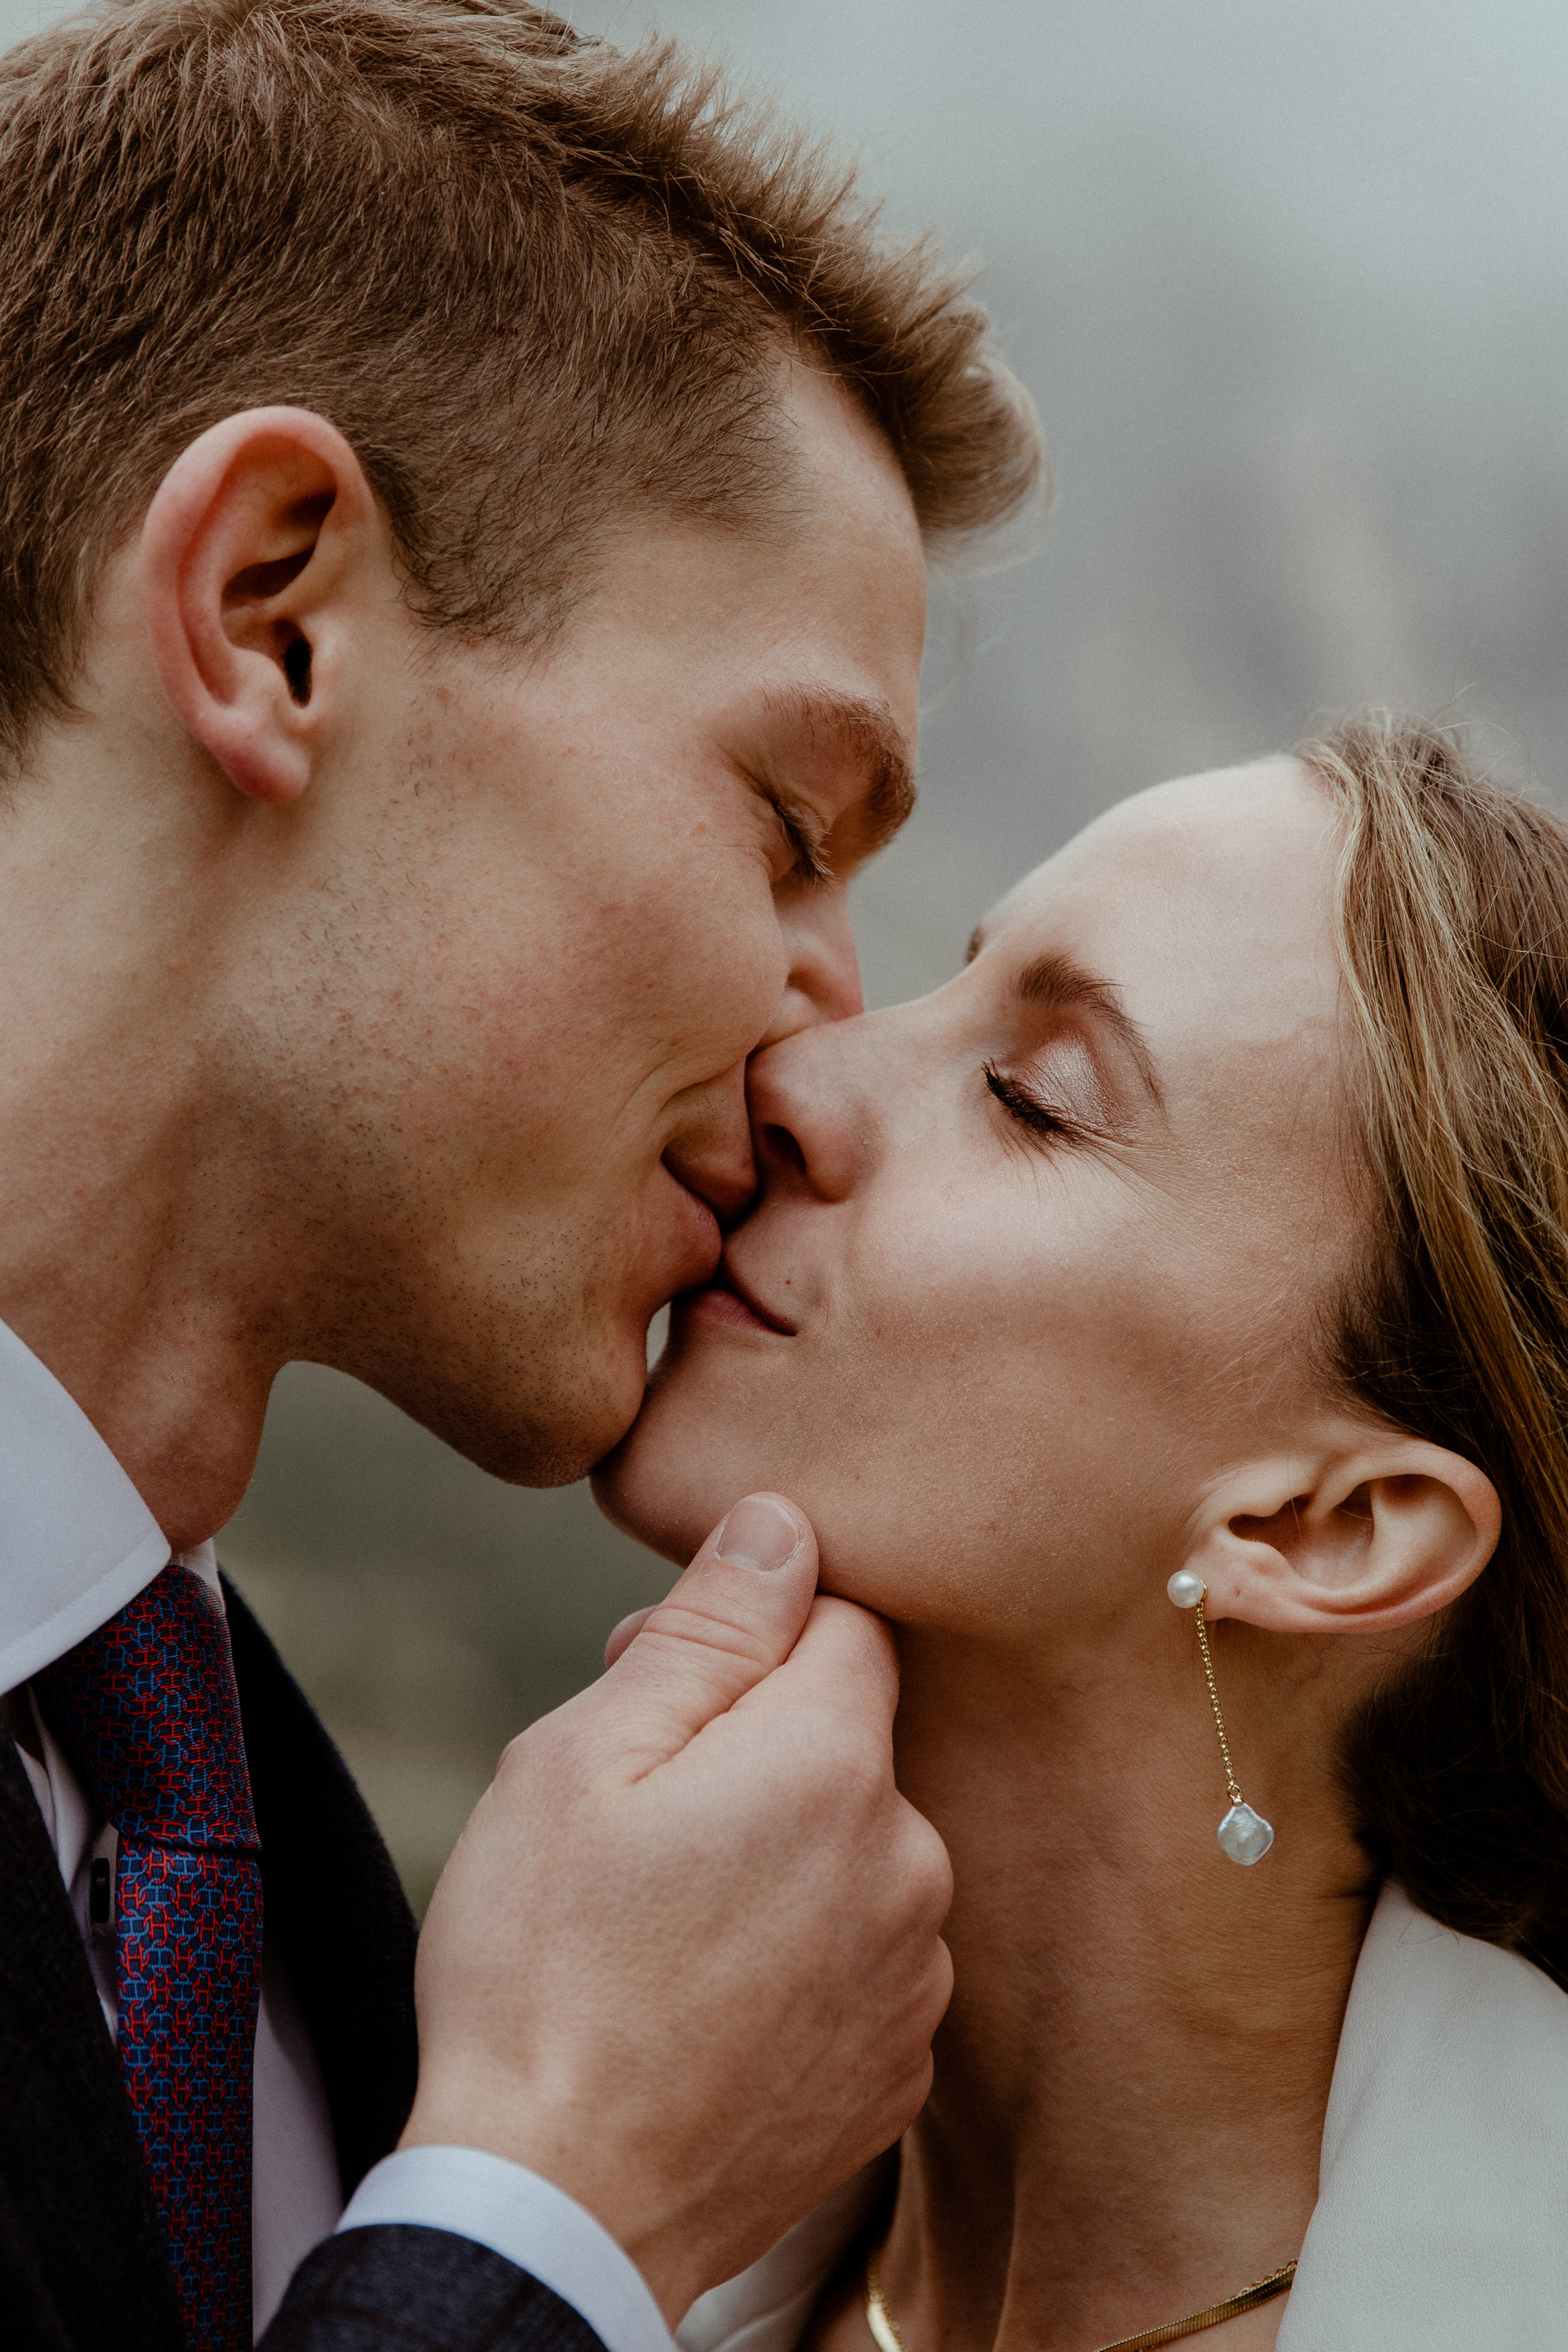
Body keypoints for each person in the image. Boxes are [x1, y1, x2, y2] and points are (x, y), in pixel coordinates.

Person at [0, 4, 1043, 2350]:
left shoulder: (255, 1867)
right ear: (275, 613)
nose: (824, 1036)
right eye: (790, 823)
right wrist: (551, 2211)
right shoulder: (518, 2062)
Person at [596, 715, 1568, 2351]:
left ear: (1330, 1530)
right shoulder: (575, 2204)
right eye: (943, 986)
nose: (795, 1079)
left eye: (1030, 1101)